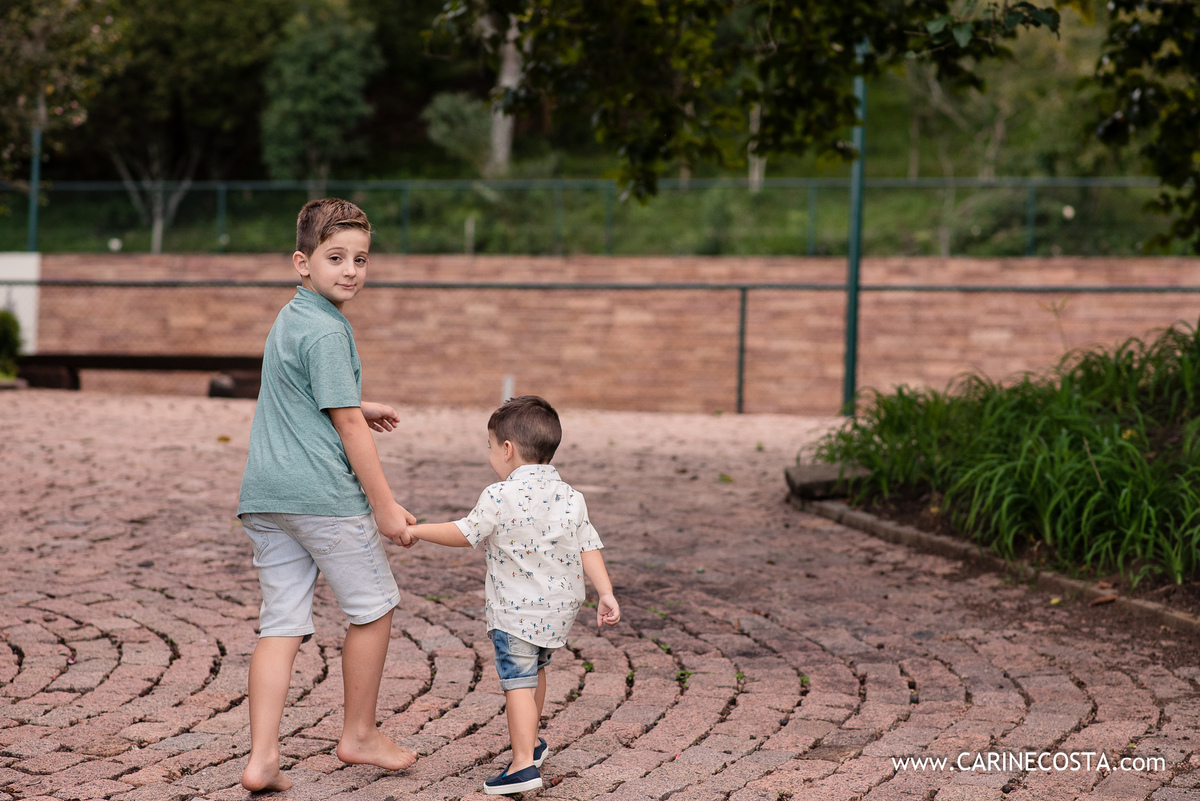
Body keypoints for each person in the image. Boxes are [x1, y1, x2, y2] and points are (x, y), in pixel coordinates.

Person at [237, 198, 418, 793]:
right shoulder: (329, 333)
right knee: (374, 608)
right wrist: (385, 507)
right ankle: (359, 734)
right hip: (323, 498)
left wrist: (361, 402)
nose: (350, 270)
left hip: (267, 497)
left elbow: (297, 391)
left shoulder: (292, 318)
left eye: (360, 259)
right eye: (335, 257)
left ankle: (263, 758)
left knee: (280, 625)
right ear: (302, 261)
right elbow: (346, 428)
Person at [408, 394, 621, 795]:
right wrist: (605, 593)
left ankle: (523, 765)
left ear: (507, 450)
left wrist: (417, 531)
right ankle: (533, 743)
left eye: (490, 447)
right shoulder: (572, 497)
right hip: (559, 610)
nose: (490, 455)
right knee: (536, 670)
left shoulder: (498, 495)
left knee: (517, 682)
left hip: (515, 612)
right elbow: (588, 546)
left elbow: (464, 532)